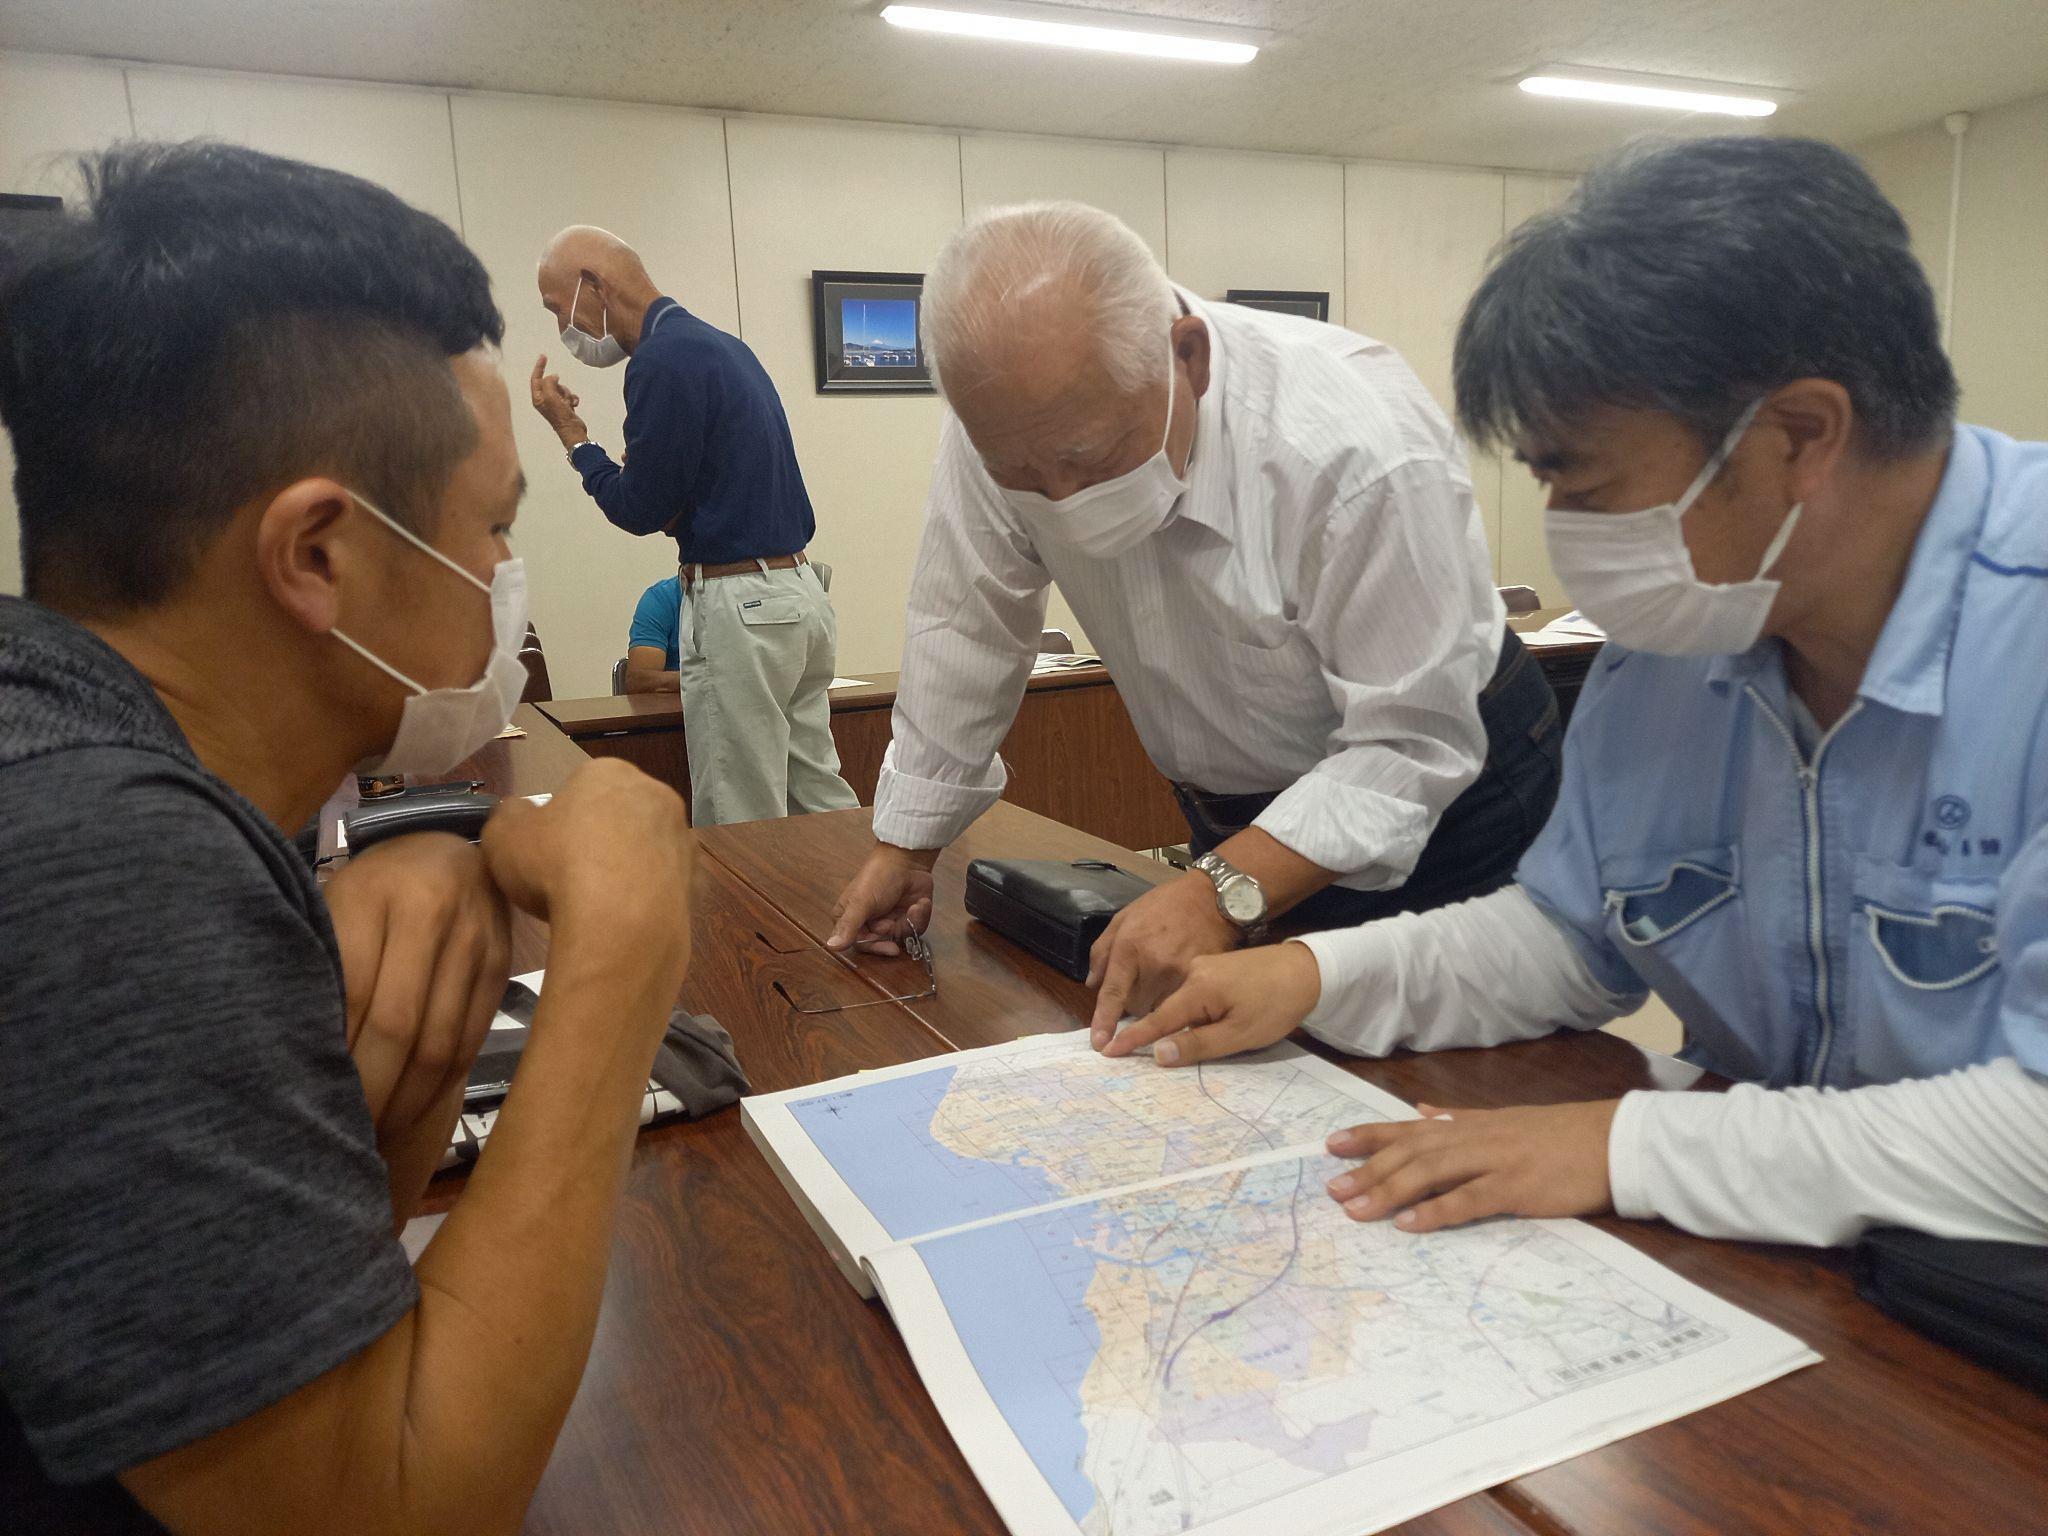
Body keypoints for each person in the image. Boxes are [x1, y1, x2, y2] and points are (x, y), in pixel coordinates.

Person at [1108, 136, 2048, 1250]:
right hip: (1803, 1270)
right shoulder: (1684, 633)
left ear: (1800, 436)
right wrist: (1311, 974)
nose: (1570, 535)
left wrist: (1616, 1147)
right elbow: (1572, 938)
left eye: (1586, 484)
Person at [0, 142, 695, 1533]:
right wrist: (625, 949)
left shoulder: (83, 768)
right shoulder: (102, 865)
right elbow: (386, 1513)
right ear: (318, 553)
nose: (505, 580)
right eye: (492, 530)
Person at [828, 201, 1561, 1041]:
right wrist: (906, 846)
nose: (1061, 500)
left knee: (1468, 1096)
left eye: (1088, 460)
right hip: (1242, 822)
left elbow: (1414, 742)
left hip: (1453, 802)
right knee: (1279, 1071)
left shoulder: (1353, 444)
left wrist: (1220, 888)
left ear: (1190, 357)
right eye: (1023, 474)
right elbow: (966, 624)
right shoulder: (1005, 421)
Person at [529, 226, 857, 823]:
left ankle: (752, 922)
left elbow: (638, 509)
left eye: (558, 308)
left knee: (740, 809)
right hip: (799, 595)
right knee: (819, 796)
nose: (562, 329)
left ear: (593, 285)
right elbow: (711, 485)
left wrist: (575, 440)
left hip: (739, 603)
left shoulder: (659, 360)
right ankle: (864, 915)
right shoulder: (723, 346)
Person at [626, 573, 683, 694]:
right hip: (675, 709)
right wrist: (703, 680)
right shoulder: (662, 598)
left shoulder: (732, 598)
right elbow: (640, 681)